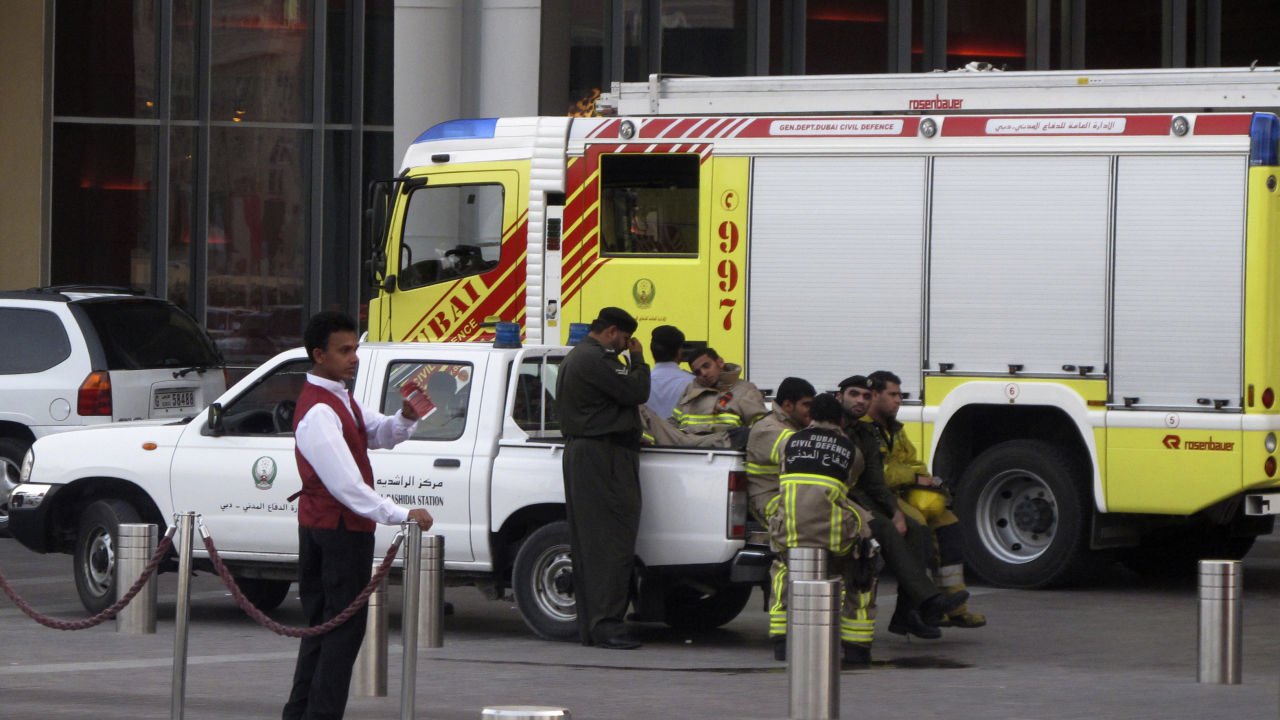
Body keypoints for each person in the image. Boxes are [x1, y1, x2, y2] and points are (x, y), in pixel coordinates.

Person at [284, 311, 435, 720]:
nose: (354, 357)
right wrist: (400, 513)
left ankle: (301, 713)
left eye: (355, 348)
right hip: (335, 530)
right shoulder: (319, 410)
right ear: (319, 355)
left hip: (331, 526)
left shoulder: (339, 396)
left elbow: (379, 433)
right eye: (344, 350)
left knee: (323, 627)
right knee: (340, 631)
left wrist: (406, 416)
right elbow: (347, 486)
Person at [838, 374, 963, 640]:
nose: (861, 400)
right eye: (854, 394)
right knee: (888, 529)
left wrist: (896, 512)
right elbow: (878, 476)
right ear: (839, 397)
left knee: (916, 530)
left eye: (865, 395)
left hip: (867, 497)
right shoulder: (829, 429)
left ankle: (912, 612)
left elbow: (875, 480)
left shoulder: (865, 433)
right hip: (838, 499)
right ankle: (927, 602)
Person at [556, 306, 650, 649]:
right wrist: (639, 360)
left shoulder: (582, 357)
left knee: (596, 542)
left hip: (594, 453)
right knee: (609, 541)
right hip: (602, 456)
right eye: (625, 339)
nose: (626, 346)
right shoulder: (595, 358)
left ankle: (595, 625)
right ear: (611, 332)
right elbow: (636, 391)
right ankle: (606, 624)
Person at [866, 370, 986, 629]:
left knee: (949, 527)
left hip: (903, 491)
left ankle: (955, 607)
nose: (899, 400)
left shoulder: (894, 428)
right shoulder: (865, 429)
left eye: (900, 395)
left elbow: (912, 460)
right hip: (884, 496)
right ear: (874, 395)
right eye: (893, 394)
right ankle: (921, 608)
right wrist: (915, 478)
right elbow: (876, 474)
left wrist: (926, 480)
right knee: (917, 528)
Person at [772, 393, 879, 666]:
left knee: (782, 568)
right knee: (862, 566)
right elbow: (848, 485)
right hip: (832, 536)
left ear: (811, 417)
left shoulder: (789, 442)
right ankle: (856, 644)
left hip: (791, 533)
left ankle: (782, 641)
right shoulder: (849, 449)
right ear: (841, 420)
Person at [744, 377, 814, 656]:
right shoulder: (769, 430)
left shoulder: (792, 426)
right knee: (790, 552)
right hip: (771, 502)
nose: (811, 411)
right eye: (807, 405)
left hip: (794, 500)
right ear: (787, 405)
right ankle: (782, 634)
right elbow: (803, 452)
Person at [671, 347, 768, 434]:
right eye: (698, 372)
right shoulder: (690, 391)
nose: (703, 373)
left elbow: (762, 430)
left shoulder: (745, 390)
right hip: (688, 451)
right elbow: (673, 423)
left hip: (726, 452)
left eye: (706, 366)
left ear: (720, 362)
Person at [645, 324, 693, 419]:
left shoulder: (640, 382)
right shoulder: (693, 383)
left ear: (652, 351)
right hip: (680, 433)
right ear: (680, 352)